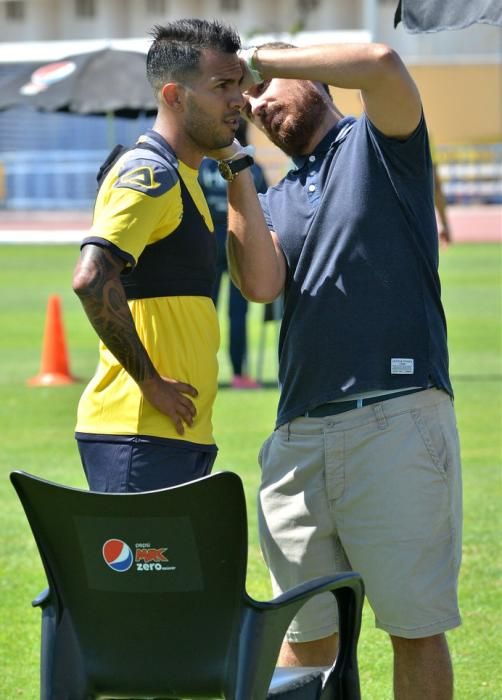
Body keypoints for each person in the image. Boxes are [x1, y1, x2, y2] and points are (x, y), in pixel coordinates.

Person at [219, 41, 462, 699]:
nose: (257, 105)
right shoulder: (274, 195)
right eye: (246, 103)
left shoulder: (381, 143)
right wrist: (236, 164)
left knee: (414, 629)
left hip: (397, 417)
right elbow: (261, 286)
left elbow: (382, 62)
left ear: (312, 79)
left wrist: (259, 57)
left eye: (265, 88)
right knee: (303, 640)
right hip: (298, 437)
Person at [71, 18, 245, 492]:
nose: (239, 99)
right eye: (222, 86)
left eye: (240, 84)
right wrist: (149, 382)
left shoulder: (185, 175)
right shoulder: (152, 174)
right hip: (137, 432)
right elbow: (91, 277)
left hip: (172, 434)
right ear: (174, 96)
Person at [198, 119, 268, 388]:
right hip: (239, 245)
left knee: (205, 312)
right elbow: (262, 209)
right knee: (237, 315)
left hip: (207, 246)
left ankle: (202, 371)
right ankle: (240, 374)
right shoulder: (252, 169)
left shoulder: (202, 167)